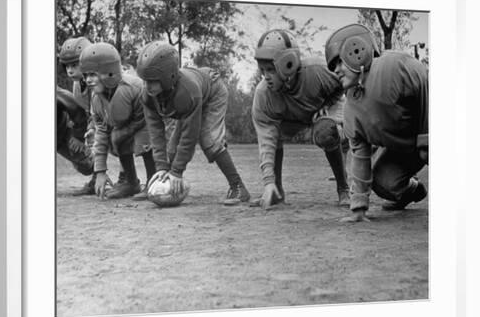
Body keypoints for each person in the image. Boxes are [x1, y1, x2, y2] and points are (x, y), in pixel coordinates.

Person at [324, 24, 428, 222]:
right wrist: (358, 208)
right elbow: (360, 156)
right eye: (332, 66)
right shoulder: (351, 110)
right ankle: (413, 191)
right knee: (383, 183)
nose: (335, 70)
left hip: (438, 130)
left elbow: (423, 80)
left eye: (338, 62)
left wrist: (426, 137)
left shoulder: (393, 66)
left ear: (358, 50)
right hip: (404, 150)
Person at [136, 41, 250, 205]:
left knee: (209, 140)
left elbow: (190, 136)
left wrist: (177, 171)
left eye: (152, 81)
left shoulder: (187, 92)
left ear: (169, 77)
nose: (147, 86)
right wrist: (161, 167)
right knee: (172, 149)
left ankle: (238, 188)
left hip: (212, 92)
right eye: (144, 80)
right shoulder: (147, 95)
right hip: (190, 103)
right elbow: (155, 133)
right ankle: (165, 183)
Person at [251, 29, 350, 209]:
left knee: (325, 132)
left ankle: (343, 187)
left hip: (324, 109)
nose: (265, 76)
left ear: (288, 64)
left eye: (271, 70)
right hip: (293, 118)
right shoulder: (263, 94)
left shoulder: (317, 71)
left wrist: (328, 104)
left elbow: (346, 83)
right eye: (263, 70)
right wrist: (268, 182)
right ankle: (277, 191)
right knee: (275, 134)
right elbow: (266, 141)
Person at [79, 42, 156, 200]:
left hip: (151, 124)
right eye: (85, 75)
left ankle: (153, 181)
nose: (87, 80)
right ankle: (131, 182)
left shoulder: (135, 88)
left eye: (93, 74)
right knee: (115, 137)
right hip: (132, 125)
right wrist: (100, 171)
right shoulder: (96, 99)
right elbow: (101, 133)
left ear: (110, 72)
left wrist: (121, 134)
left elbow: (148, 120)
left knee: (142, 139)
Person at [57, 36, 96, 195]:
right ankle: (96, 178)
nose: (70, 70)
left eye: (75, 65)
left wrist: (79, 136)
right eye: (67, 66)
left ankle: (126, 178)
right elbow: (84, 109)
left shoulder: (98, 82)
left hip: (109, 120)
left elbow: (77, 110)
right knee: (84, 164)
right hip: (93, 121)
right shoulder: (76, 86)